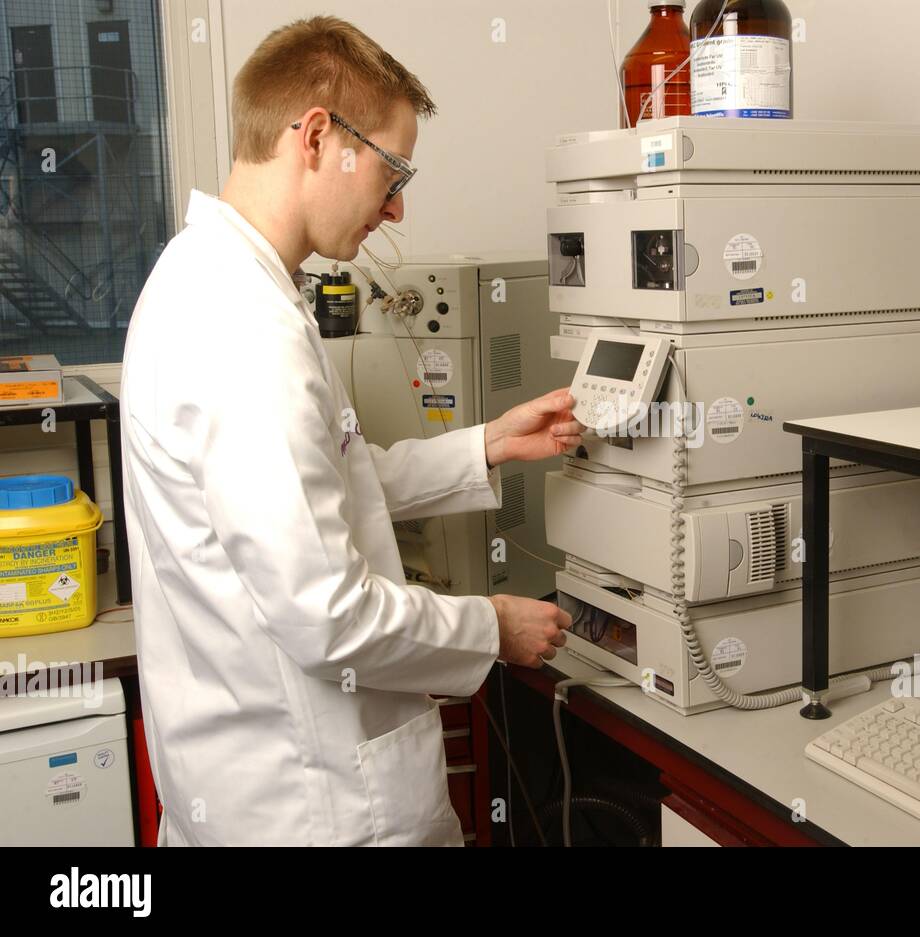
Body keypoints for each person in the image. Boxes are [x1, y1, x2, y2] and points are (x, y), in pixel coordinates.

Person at [120, 15, 580, 846]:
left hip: (245, 787)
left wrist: (489, 443)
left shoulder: (207, 277)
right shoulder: (242, 326)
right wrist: (492, 626)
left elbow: (324, 479)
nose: (398, 204)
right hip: (316, 806)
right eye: (392, 169)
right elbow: (329, 616)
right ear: (319, 136)